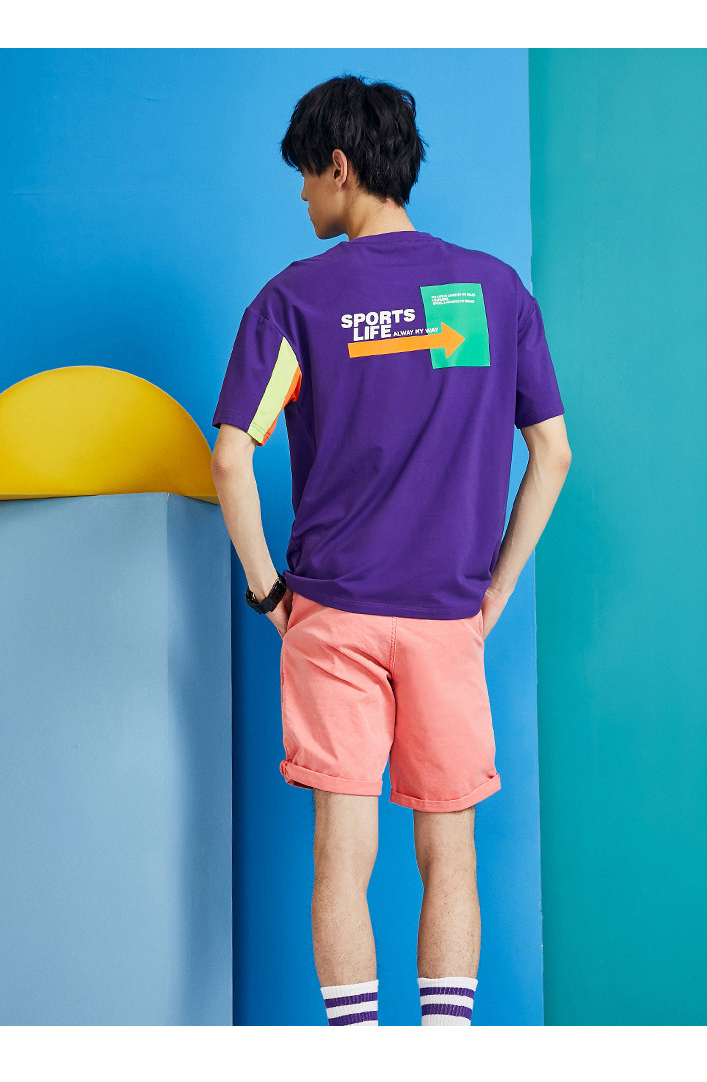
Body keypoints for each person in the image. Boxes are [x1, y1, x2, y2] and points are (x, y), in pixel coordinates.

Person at [210, 74, 571, 1027]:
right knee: (450, 853)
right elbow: (553, 453)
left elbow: (231, 454)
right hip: (448, 618)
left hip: (331, 616)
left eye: (305, 174)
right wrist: (494, 591)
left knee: (343, 854)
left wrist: (268, 593)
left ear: (340, 167)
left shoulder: (296, 301)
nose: (301, 196)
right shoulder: (487, 292)